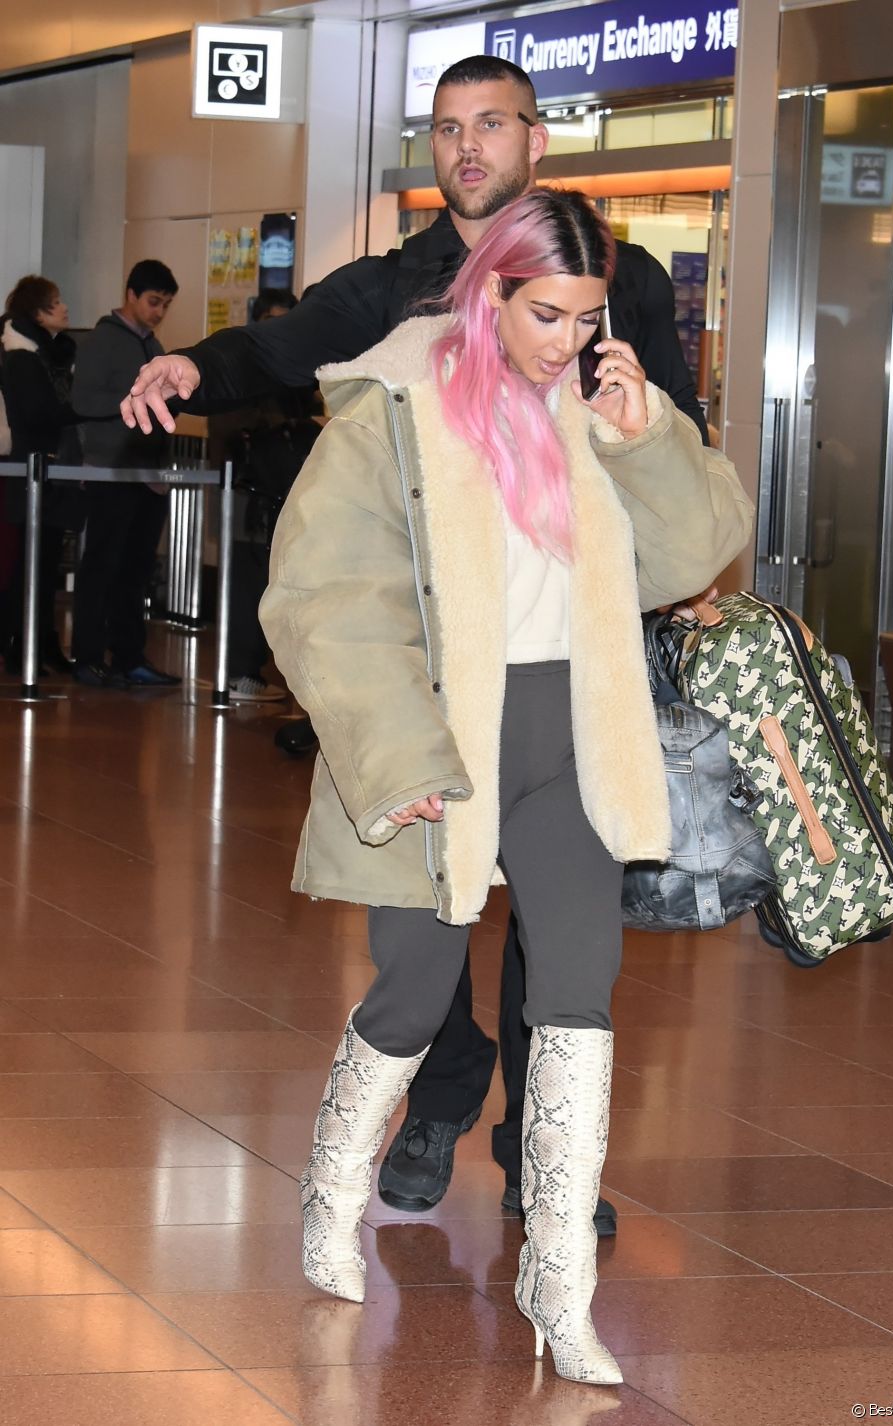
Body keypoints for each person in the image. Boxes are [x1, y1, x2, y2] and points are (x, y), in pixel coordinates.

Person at [119, 56, 711, 1231]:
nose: (466, 148)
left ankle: (548, 1156)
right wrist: (196, 368)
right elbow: (286, 344)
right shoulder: (398, 284)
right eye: (446, 129)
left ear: (536, 141)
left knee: (561, 931)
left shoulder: (616, 272)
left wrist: (667, 514)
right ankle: (437, 1101)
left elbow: (670, 421)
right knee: (430, 922)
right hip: (441, 672)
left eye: (490, 124)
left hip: (567, 652)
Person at [258, 188, 753, 1384]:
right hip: (440, 738)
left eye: (587, 319)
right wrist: (397, 753)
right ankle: (332, 1190)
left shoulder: (595, 405)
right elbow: (323, 597)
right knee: (416, 993)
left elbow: (693, 554)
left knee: (578, 992)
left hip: (572, 737)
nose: (567, 341)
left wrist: (647, 439)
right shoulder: (397, 407)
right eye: (545, 314)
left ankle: (559, 1284)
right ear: (488, 291)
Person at [70, 259, 181, 688]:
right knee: (101, 565)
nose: (158, 312)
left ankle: (129, 656)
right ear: (130, 295)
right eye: (154, 302)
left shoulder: (153, 345)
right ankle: (88, 655)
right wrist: (135, 397)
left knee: (135, 570)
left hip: (146, 476)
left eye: (166, 305)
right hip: (110, 473)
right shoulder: (102, 341)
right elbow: (82, 402)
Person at [207, 288, 321, 703]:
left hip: (281, 492)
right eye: (274, 317)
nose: (282, 327)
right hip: (245, 491)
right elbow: (225, 424)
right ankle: (239, 671)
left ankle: (252, 668)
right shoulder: (242, 361)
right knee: (246, 582)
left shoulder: (293, 364)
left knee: (273, 580)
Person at [0, 276, 84, 675]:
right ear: (37, 313)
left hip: (53, 471)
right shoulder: (22, 359)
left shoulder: (53, 355)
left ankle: (43, 641)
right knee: (26, 566)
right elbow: (38, 414)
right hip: (31, 473)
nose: (64, 308)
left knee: (46, 563)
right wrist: (83, 408)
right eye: (55, 302)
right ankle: (19, 644)